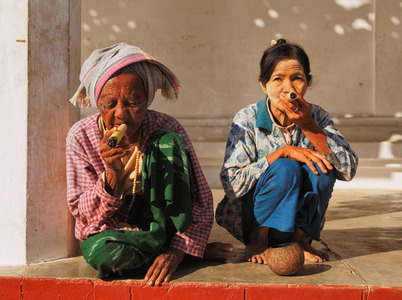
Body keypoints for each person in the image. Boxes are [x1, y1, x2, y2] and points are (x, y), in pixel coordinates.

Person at [66, 43, 233, 286]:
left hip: (162, 225)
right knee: (106, 257)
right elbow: (84, 215)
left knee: (167, 142)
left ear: (148, 100)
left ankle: (179, 247)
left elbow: (200, 200)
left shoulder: (168, 129)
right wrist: (112, 174)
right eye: (109, 105)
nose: (121, 114)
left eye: (133, 103)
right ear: (96, 103)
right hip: (112, 233)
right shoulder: (81, 136)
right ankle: (191, 251)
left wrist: (176, 251)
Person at [215, 39, 358, 265]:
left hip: (296, 221)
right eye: (277, 79)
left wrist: (309, 126)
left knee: (322, 169)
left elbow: (348, 169)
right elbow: (231, 184)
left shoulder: (316, 116)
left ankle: (300, 240)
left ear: (307, 83)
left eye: (297, 78)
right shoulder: (247, 118)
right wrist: (281, 153)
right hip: (252, 218)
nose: (288, 88)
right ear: (263, 84)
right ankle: (258, 239)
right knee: (285, 167)